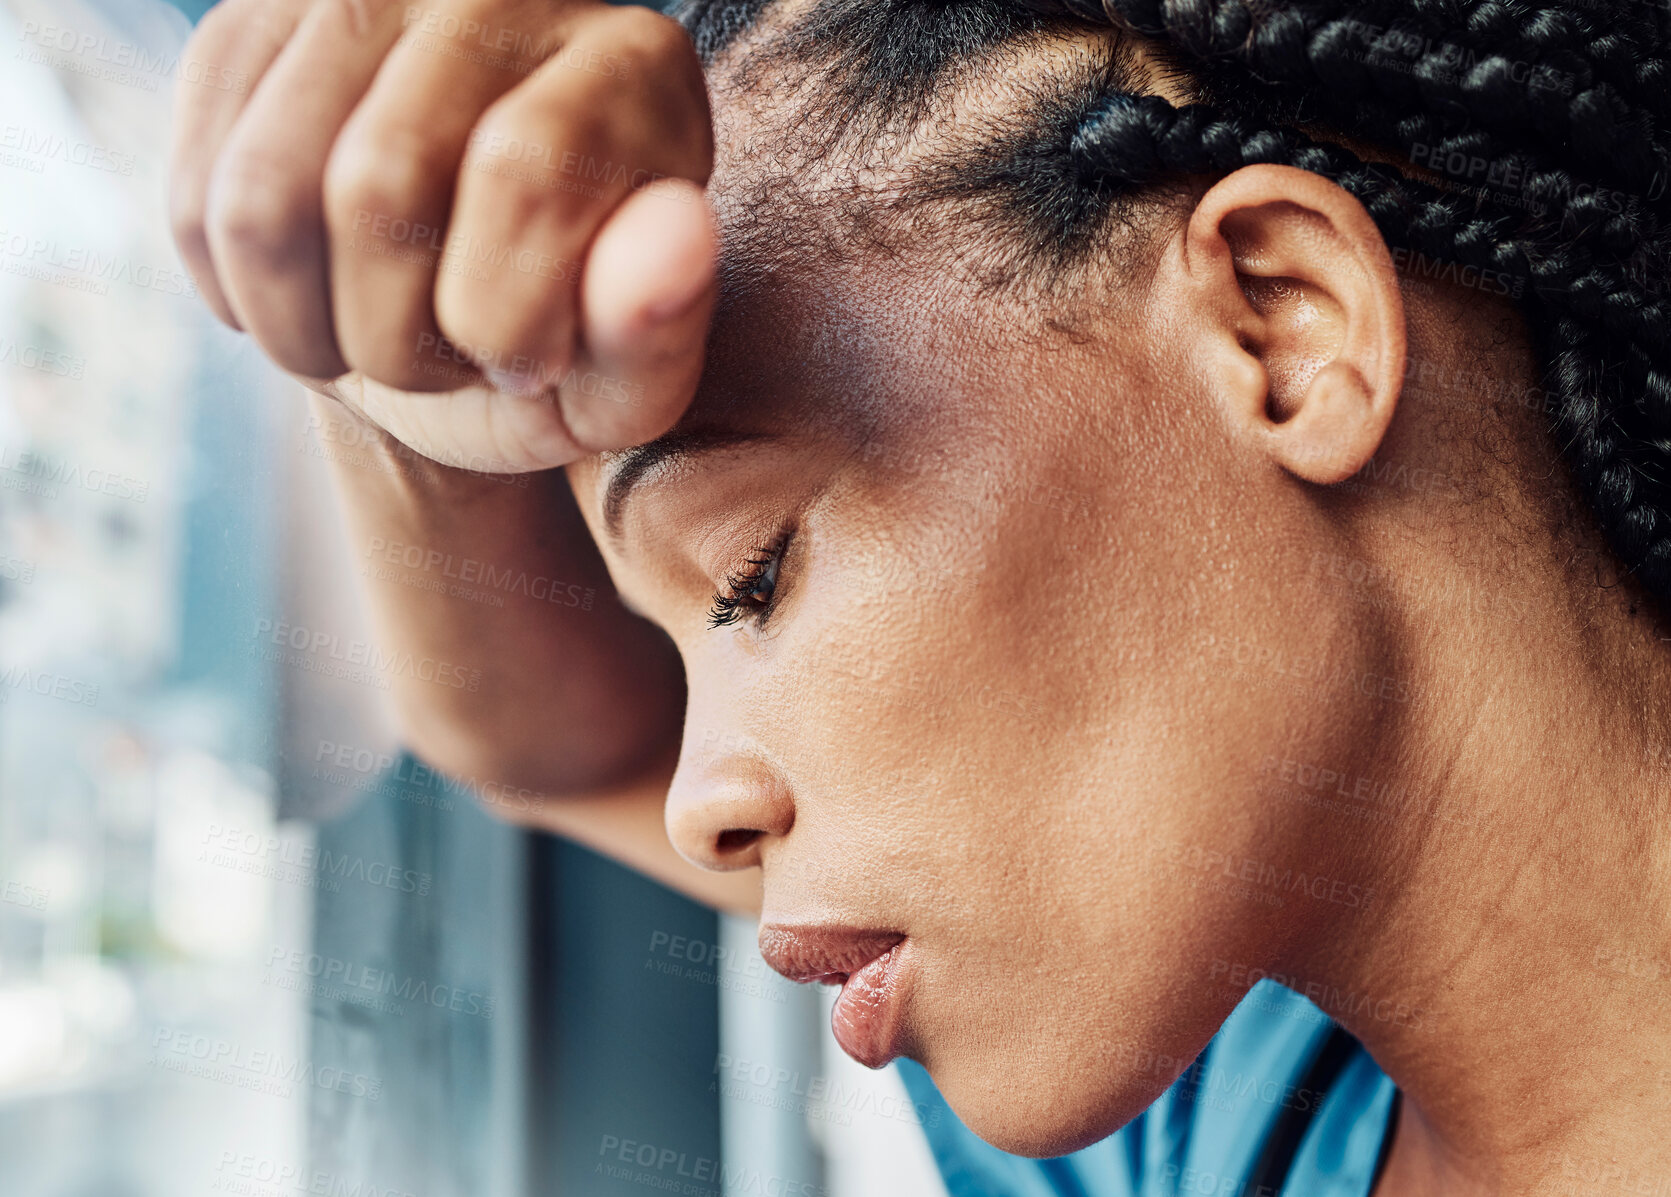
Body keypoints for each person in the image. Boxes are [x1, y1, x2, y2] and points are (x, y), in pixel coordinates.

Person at [170, 0, 1671, 1192]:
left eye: (753, 575)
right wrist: (392, 363)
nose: (699, 803)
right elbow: (552, 742)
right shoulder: (1237, 1121)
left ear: (1281, 327)